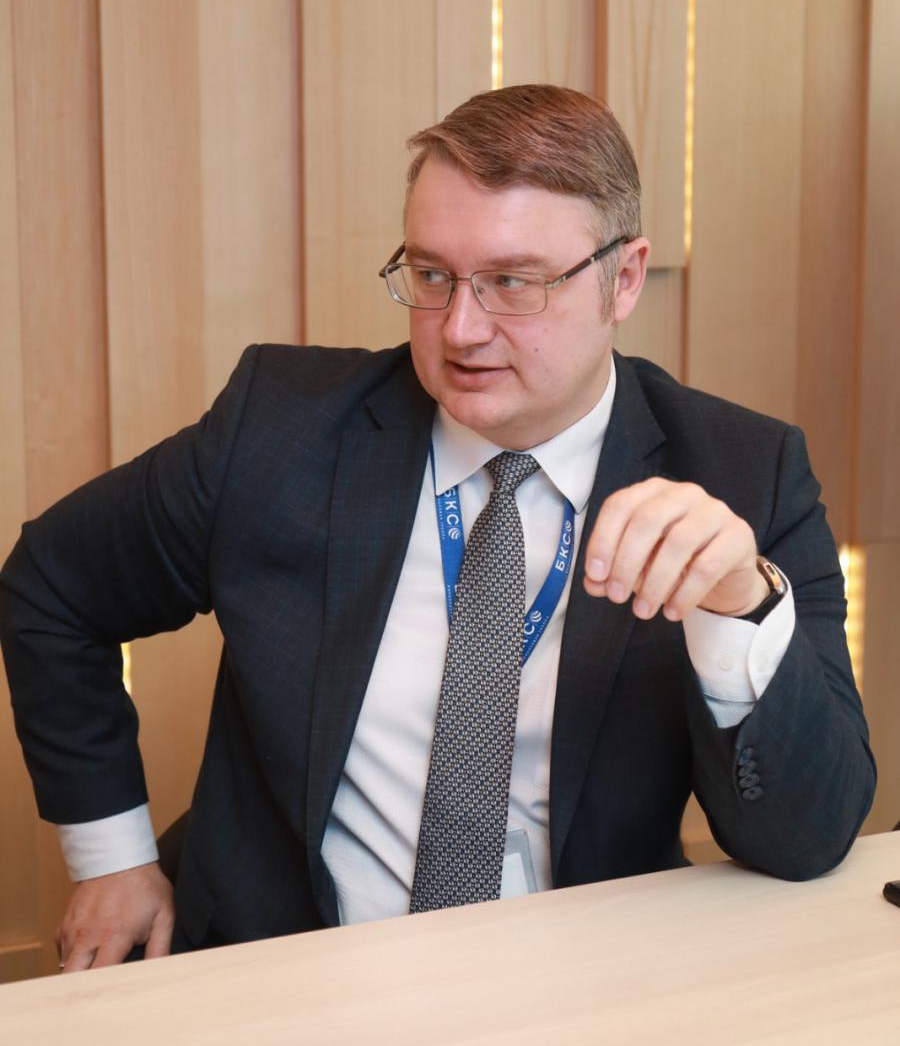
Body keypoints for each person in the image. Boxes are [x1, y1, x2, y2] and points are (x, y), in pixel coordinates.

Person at [0, 85, 875, 972]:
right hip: (282, 973)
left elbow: (808, 838)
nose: (460, 330)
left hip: (582, 984)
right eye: (430, 276)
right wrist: (111, 859)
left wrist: (736, 608)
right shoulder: (280, 431)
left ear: (623, 279)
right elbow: (52, 586)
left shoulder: (743, 474)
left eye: (512, 283)